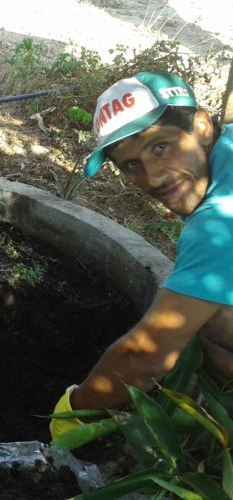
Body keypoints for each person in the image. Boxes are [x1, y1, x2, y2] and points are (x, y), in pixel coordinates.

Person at [49, 71, 233, 439]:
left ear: (201, 126)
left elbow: (143, 356)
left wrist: (70, 418)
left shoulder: (219, 226)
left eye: (160, 146)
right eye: (131, 164)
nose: (154, 177)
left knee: (209, 326)